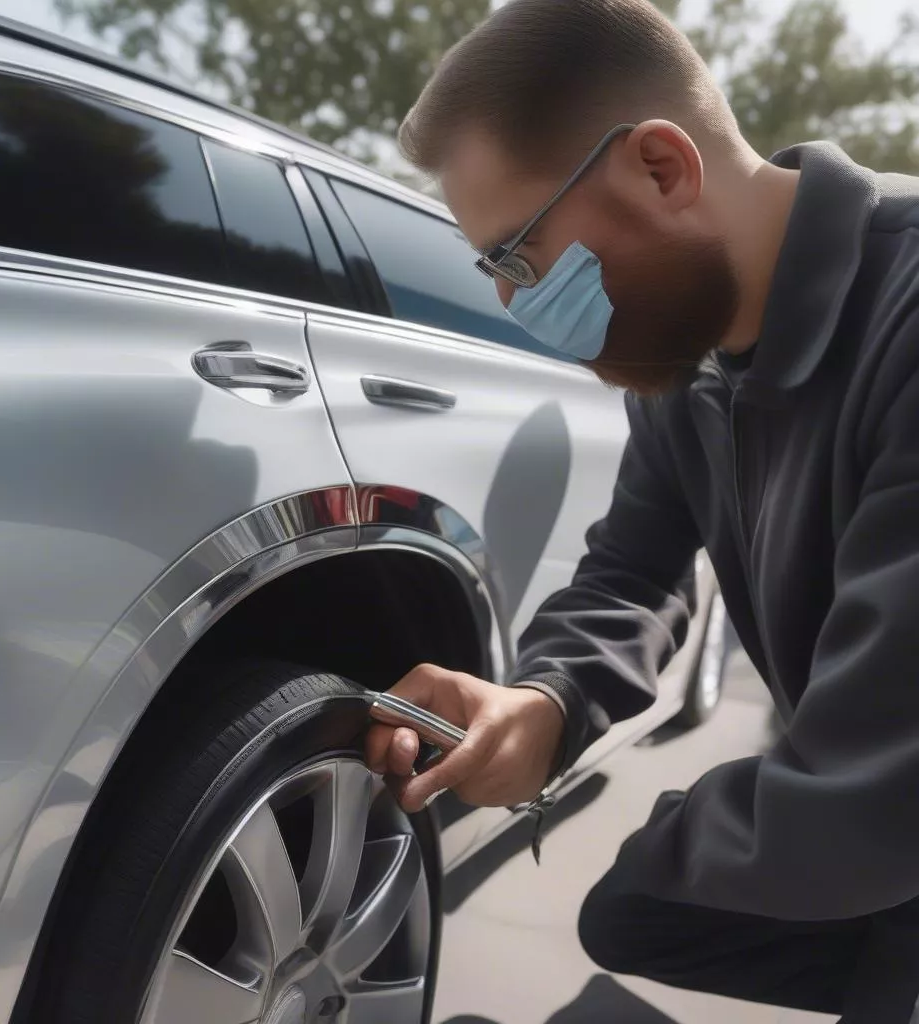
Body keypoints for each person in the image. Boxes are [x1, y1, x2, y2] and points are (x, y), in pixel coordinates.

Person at [362, 0, 919, 1020]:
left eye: (519, 256)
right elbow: (631, 571)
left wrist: (661, 848)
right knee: (634, 919)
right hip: (884, 855)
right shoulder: (691, 366)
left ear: (660, 167)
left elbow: (876, 788)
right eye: (495, 272)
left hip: (888, 826)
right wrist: (543, 703)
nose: (515, 303)